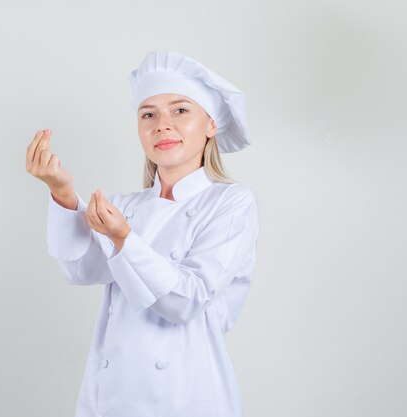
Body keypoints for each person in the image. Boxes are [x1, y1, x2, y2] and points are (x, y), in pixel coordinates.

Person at [26, 50, 260, 417]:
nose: (162, 125)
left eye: (180, 110)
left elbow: (187, 299)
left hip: (188, 395)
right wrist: (62, 192)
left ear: (211, 124)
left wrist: (124, 240)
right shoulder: (125, 207)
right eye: (148, 114)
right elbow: (81, 270)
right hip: (112, 396)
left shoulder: (230, 203)